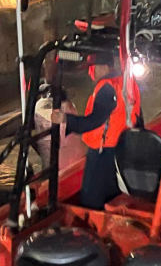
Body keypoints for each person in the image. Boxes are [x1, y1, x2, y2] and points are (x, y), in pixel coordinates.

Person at [51, 53, 141, 209]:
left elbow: (94, 121)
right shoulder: (126, 81)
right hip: (122, 147)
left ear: (104, 67)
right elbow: (138, 116)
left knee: (92, 197)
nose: (90, 72)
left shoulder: (106, 87)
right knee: (113, 191)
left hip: (103, 152)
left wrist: (65, 120)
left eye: (93, 68)